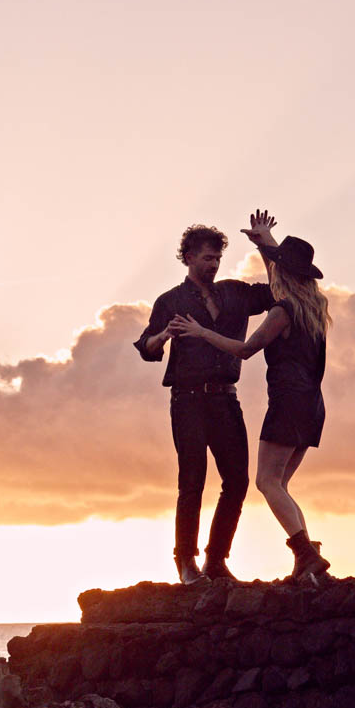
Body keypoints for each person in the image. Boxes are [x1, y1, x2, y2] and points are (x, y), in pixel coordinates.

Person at [167, 212, 333, 586]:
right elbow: (281, 276)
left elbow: (245, 350)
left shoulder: (282, 311)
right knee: (280, 487)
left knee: (266, 483)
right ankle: (307, 564)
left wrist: (201, 332)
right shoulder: (315, 309)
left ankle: (307, 555)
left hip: (288, 403)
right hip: (313, 405)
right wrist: (264, 244)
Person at [135, 217, 280, 584]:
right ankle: (186, 562)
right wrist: (164, 335)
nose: (213, 264)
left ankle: (216, 561)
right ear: (187, 257)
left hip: (225, 399)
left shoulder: (235, 293)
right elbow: (146, 348)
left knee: (238, 481)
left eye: (217, 258)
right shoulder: (169, 301)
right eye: (206, 258)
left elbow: (280, 289)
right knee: (192, 481)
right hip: (187, 401)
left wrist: (265, 244)